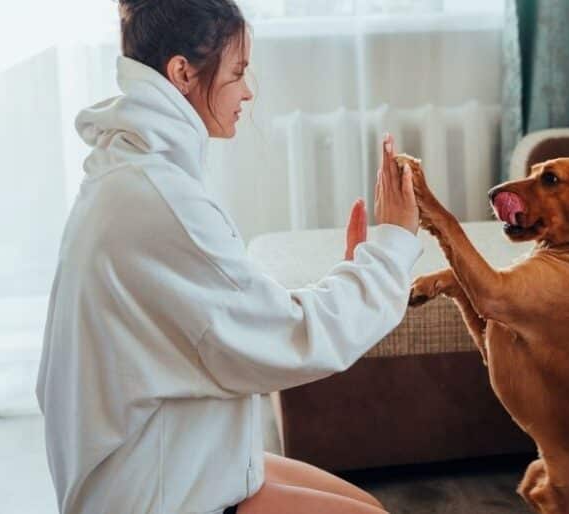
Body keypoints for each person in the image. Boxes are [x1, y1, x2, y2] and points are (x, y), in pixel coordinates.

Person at [35, 1, 421, 513]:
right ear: (182, 72)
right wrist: (393, 244)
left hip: (163, 456)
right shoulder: (159, 200)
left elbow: (231, 318)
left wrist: (355, 272)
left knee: (360, 502)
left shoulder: (132, 173)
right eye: (237, 73)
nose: (248, 90)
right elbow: (290, 339)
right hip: (153, 492)